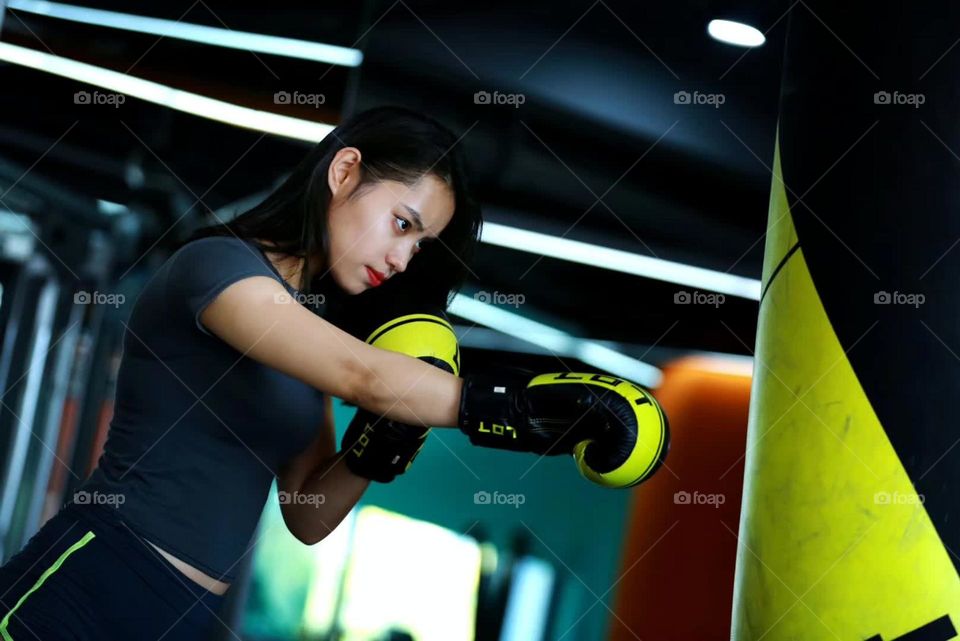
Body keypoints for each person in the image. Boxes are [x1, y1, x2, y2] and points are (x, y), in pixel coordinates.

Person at [0, 106, 667, 641]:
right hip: (92, 578)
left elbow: (309, 513)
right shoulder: (219, 267)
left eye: (419, 244)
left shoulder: (307, 339)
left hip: (185, 617)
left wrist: (376, 447)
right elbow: (364, 374)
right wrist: (533, 410)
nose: (404, 259)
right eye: (402, 224)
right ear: (345, 172)